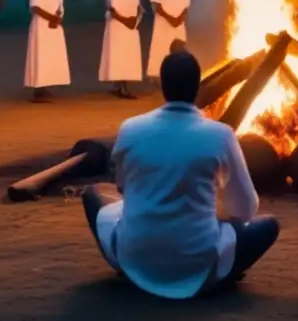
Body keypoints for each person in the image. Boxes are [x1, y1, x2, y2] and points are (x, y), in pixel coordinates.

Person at [82, 51, 280, 298]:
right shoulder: (221, 134)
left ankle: (138, 261)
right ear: (198, 88)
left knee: (94, 194)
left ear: (163, 87)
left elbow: (123, 189)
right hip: (200, 266)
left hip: (133, 259)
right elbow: (246, 209)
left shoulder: (130, 129)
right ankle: (218, 274)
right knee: (269, 225)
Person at [23, 0, 70, 102]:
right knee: (40, 56)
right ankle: (38, 90)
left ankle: (45, 87)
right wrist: (51, 18)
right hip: (40, 28)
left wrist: (58, 18)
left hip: (54, 28)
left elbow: (60, 7)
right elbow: (35, 7)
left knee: (50, 56)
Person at [98, 0, 143, 99]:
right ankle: (121, 86)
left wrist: (134, 22)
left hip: (130, 29)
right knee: (118, 56)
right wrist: (126, 21)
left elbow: (138, 9)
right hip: (117, 28)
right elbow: (113, 10)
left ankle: (121, 85)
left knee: (128, 56)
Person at [147, 0, 192, 81]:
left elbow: (186, 7)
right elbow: (156, 6)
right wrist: (171, 19)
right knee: (161, 50)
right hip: (163, 26)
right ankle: (159, 77)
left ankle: (179, 75)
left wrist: (179, 19)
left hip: (179, 26)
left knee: (179, 50)